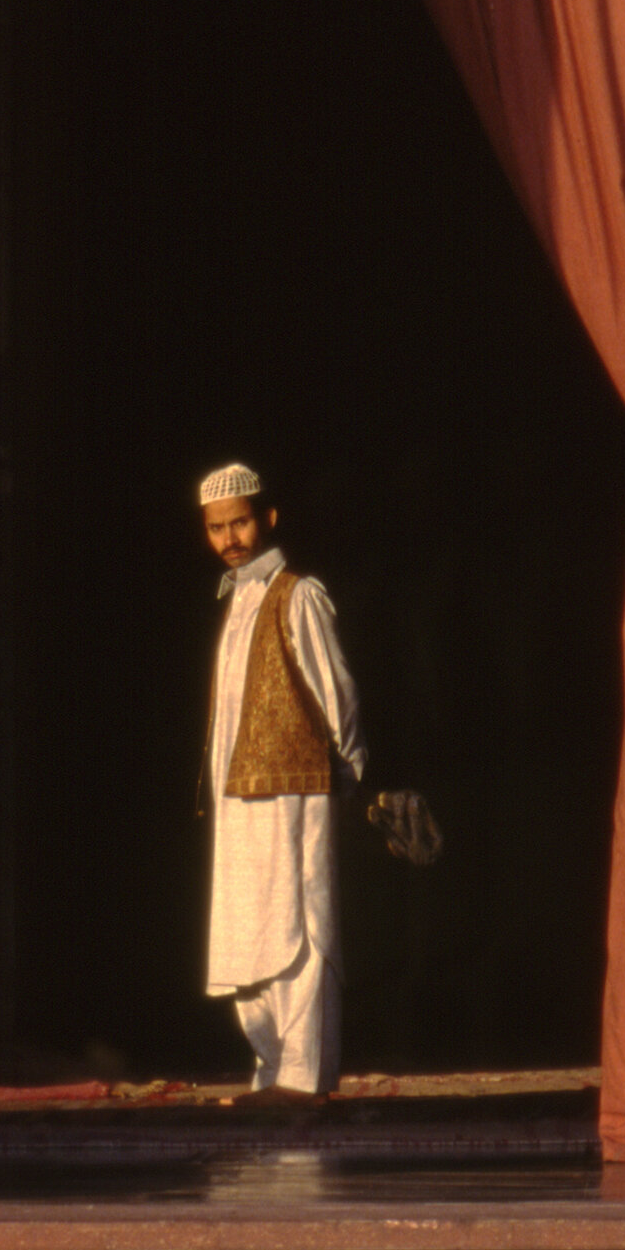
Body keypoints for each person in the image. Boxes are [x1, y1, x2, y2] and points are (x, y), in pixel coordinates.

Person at [195, 459, 366, 1100]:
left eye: (239, 523)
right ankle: (270, 1070)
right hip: (239, 795)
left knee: (301, 926)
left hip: (297, 790)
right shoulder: (237, 598)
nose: (229, 538)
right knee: (249, 933)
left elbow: (336, 696)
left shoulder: (300, 594)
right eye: (217, 529)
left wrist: (348, 780)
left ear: (267, 518)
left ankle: (303, 1075)